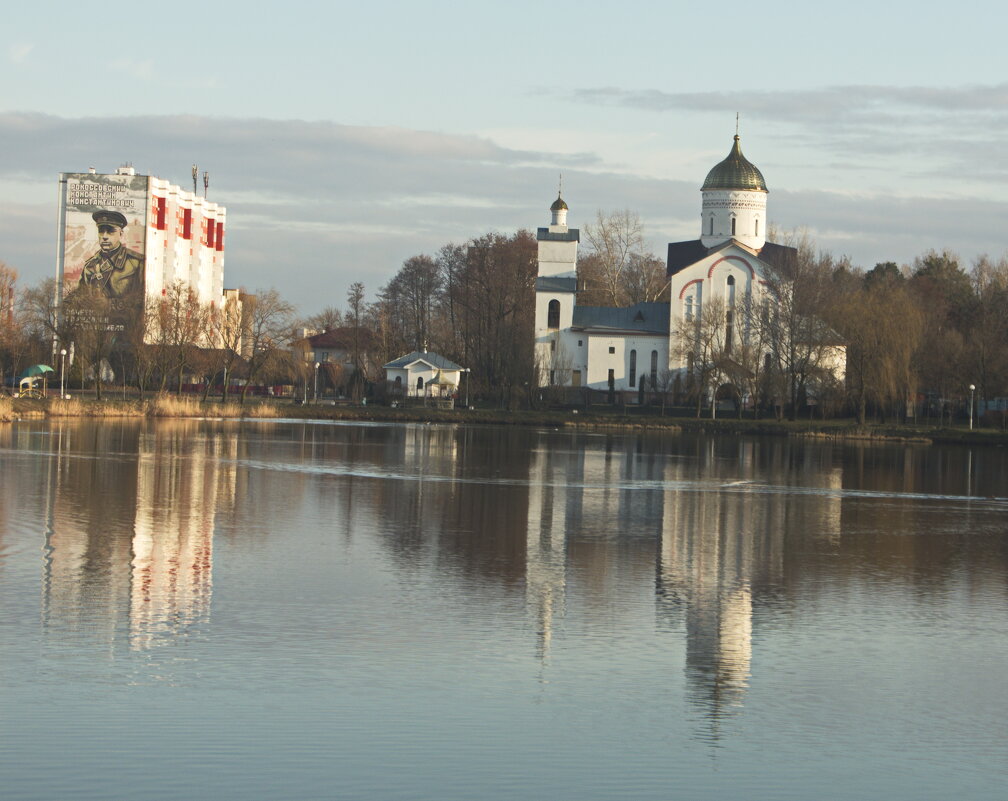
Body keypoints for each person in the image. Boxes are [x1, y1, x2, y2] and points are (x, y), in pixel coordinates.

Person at [77, 210, 144, 298]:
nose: (104, 236)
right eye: (101, 231)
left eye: (110, 231)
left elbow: (142, 299)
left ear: (121, 234)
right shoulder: (90, 266)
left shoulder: (136, 262)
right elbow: (80, 299)